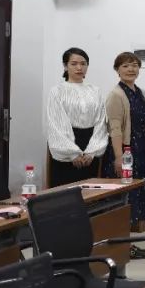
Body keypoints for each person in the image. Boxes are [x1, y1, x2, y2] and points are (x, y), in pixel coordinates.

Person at [102, 52, 145, 229]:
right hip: (125, 150)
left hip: (141, 149)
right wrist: (118, 157)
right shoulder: (116, 94)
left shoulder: (141, 92)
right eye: (125, 66)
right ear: (117, 70)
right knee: (124, 192)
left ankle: (134, 232)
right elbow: (115, 129)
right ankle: (121, 235)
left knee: (138, 188)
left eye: (134, 65)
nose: (131, 69)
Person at [46, 47, 108, 186]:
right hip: (66, 146)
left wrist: (92, 151)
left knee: (90, 190)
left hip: (90, 144)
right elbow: (56, 123)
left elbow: (101, 121)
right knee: (66, 190)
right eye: (74, 64)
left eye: (83, 64)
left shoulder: (95, 91)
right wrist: (72, 153)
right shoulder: (57, 91)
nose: (79, 68)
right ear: (65, 66)